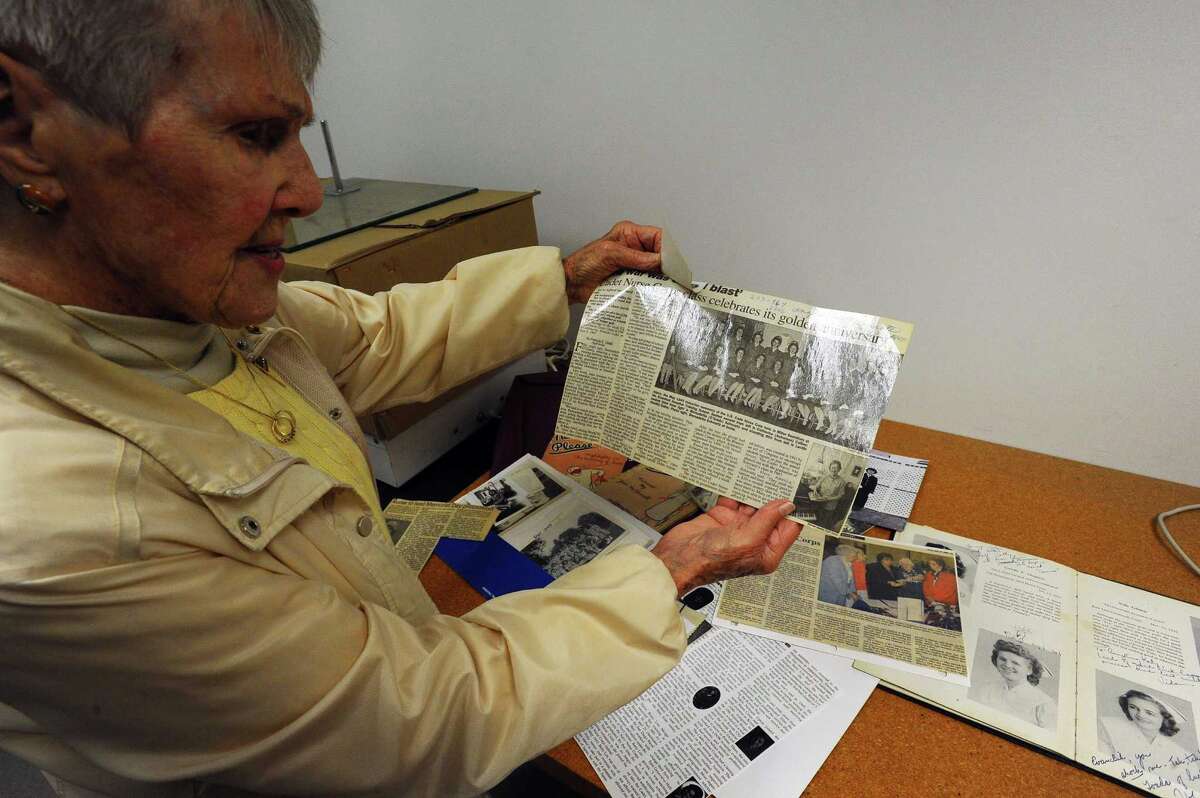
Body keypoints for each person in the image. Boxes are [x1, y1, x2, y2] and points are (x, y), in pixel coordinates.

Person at [0, 4, 805, 797]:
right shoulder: (52, 523)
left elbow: (373, 337)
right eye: (254, 135)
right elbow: (417, 719)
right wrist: (668, 571)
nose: (307, 192)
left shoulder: (174, 303)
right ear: (24, 131)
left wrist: (565, 280)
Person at [970, 639, 1056, 729]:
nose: (1007, 665)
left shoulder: (1043, 703)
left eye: (1015, 663)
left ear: (1029, 669)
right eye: (1003, 659)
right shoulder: (987, 689)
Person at [1098, 689, 1190, 768]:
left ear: (1165, 718)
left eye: (1149, 713)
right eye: (1133, 707)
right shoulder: (1108, 726)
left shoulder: (1180, 754)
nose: (1140, 715)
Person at [810, 459, 849, 530]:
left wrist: (828, 498)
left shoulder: (842, 482)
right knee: (816, 519)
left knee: (824, 522)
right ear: (830, 468)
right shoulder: (824, 477)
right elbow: (817, 486)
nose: (834, 470)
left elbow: (840, 496)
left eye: (836, 468)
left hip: (830, 506)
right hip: (819, 503)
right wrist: (815, 489)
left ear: (839, 469)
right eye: (832, 467)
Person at [894, 556, 925, 622]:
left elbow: (921, 577)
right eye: (902, 564)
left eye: (906, 564)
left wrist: (908, 579)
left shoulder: (917, 569)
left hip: (917, 596)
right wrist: (914, 578)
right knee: (903, 617)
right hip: (904, 596)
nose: (904, 565)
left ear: (911, 564)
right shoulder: (899, 571)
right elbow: (900, 581)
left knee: (916, 617)